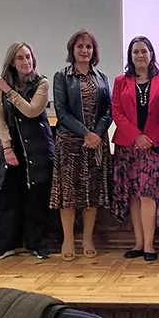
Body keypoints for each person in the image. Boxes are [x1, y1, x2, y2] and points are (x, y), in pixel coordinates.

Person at [50, 30, 113, 261]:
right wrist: (85, 133)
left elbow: (108, 110)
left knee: (92, 192)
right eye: (80, 47)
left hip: (96, 143)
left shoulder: (101, 77)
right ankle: (68, 239)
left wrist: (96, 134)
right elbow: (62, 112)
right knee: (69, 193)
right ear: (72, 50)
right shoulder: (62, 76)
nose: (84, 51)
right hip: (70, 143)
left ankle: (87, 238)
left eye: (88, 47)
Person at [0, 42, 54, 260]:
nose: (25, 62)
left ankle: (38, 244)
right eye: (20, 58)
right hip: (10, 149)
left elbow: (32, 111)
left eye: (28, 57)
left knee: (36, 198)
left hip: (37, 149)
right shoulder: (2, 84)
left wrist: (9, 92)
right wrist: (7, 146)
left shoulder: (41, 83)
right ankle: (7, 244)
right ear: (12, 62)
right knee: (9, 198)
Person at [111, 36, 159, 262]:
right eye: (135, 52)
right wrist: (137, 137)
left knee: (148, 195)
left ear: (151, 54)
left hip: (155, 147)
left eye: (144, 51)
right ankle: (137, 242)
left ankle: (149, 245)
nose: (140, 55)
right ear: (130, 56)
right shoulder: (120, 81)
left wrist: (150, 138)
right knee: (134, 197)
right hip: (128, 146)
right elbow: (117, 112)